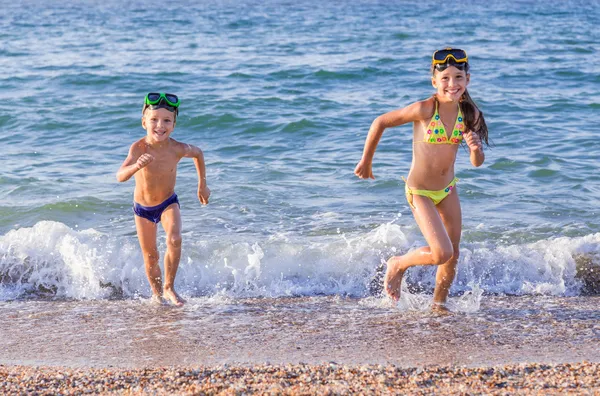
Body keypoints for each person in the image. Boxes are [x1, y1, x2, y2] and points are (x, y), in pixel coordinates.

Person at [354, 48, 489, 309]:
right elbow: (380, 122)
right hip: (420, 191)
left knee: (453, 255)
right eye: (446, 78)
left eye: (458, 77)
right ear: (435, 82)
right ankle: (399, 263)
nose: (453, 84)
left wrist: (476, 149)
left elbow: (477, 163)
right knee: (441, 252)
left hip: (448, 190)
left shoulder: (471, 114)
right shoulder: (426, 109)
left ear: (468, 80)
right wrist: (366, 161)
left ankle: (438, 305)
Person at [116, 93, 210, 306]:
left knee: (175, 239)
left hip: (168, 202)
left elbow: (198, 153)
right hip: (143, 209)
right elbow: (120, 176)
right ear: (144, 123)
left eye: (167, 120)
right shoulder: (138, 148)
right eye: (154, 120)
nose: (160, 125)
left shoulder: (177, 148)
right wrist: (136, 166)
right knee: (151, 256)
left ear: (174, 125)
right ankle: (157, 295)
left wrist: (202, 185)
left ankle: (169, 287)